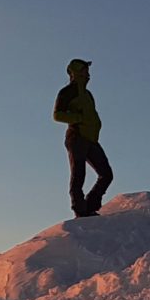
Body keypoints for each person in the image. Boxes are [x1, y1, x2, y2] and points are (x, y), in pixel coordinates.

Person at [53, 58, 112, 218]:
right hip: (77, 137)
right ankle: (80, 210)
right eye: (85, 71)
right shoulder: (67, 92)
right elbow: (57, 115)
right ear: (77, 72)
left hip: (91, 139)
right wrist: (78, 118)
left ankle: (90, 206)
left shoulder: (87, 94)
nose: (88, 74)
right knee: (78, 175)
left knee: (106, 174)